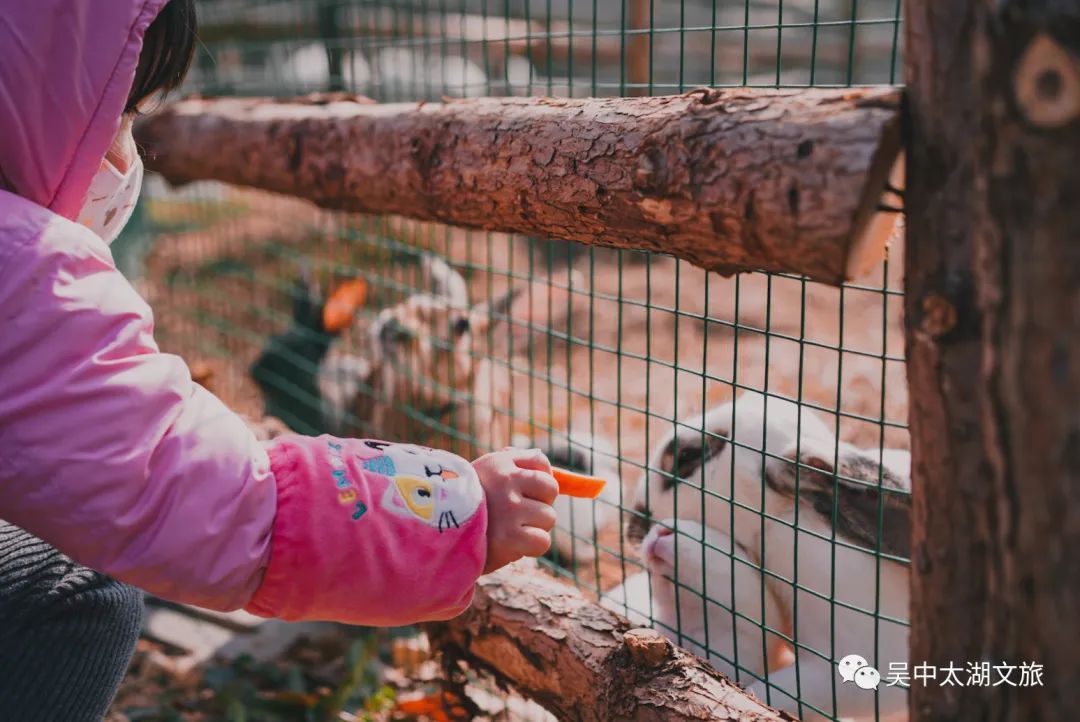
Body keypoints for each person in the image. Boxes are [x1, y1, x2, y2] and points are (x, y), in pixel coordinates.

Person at [0, 1, 559, 718]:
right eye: (124, 114)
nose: (127, 154)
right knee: (83, 590)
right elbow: (206, 495)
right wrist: (455, 510)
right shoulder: (23, 271)